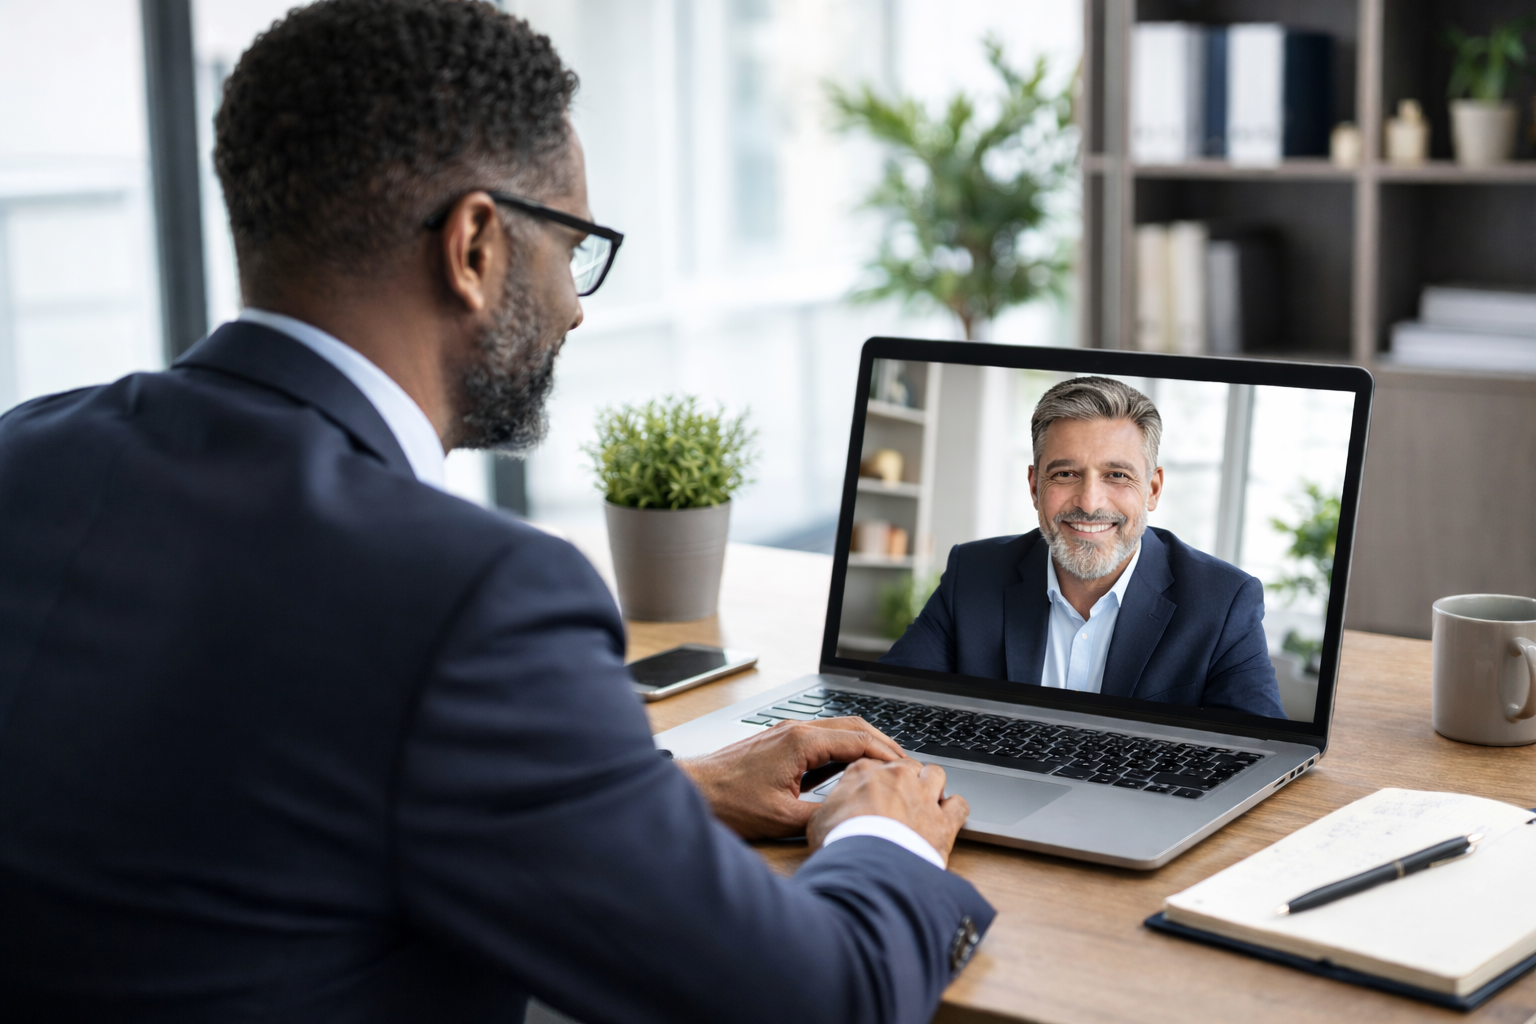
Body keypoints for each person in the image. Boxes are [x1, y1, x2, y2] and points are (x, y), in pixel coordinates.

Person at [0, 3, 992, 1021]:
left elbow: (250, 775)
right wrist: (888, 832)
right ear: (474, 245)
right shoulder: (470, 598)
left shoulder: (26, 453)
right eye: (573, 245)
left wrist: (658, 791)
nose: (576, 303)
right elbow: (822, 1001)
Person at [881, 376, 1285, 719]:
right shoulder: (972, 573)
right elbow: (887, 706)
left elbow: (1262, 755)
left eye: (1116, 474)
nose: (1090, 502)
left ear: (1153, 489)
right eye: (1066, 473)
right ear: (1035, 486)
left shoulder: (1224, 602)